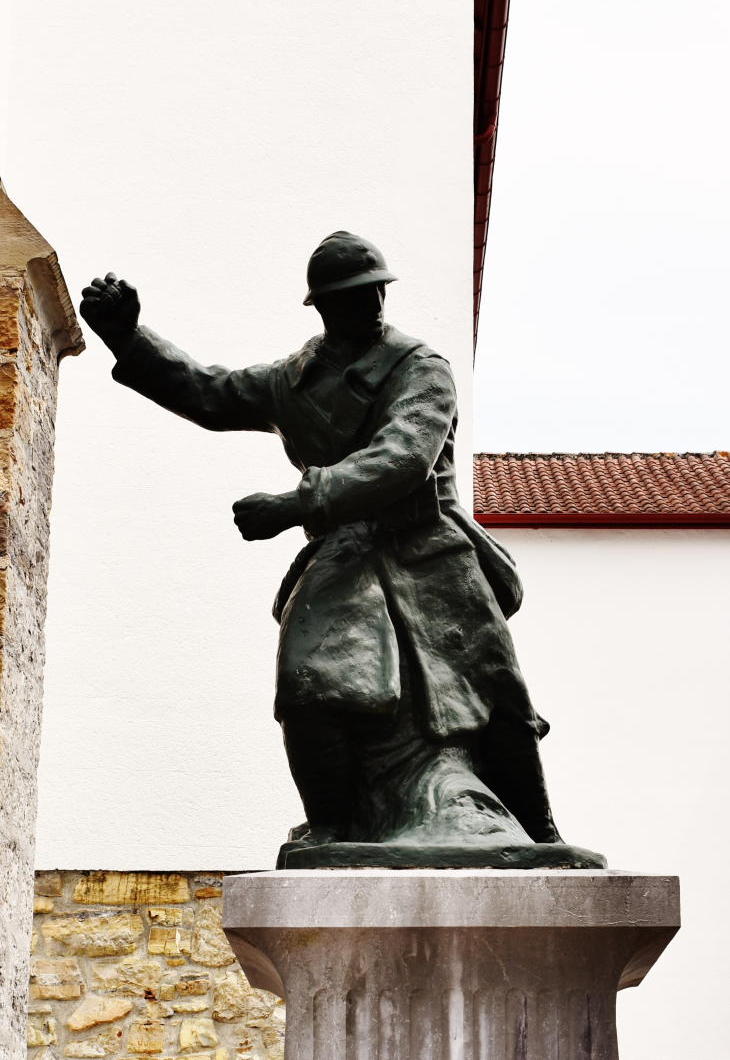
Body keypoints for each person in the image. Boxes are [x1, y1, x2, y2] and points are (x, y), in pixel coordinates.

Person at [80, 231, 591, 868]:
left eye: (378, 289)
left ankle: (537, 832)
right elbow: (209, 393)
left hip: (428, 549)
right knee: (307, 678)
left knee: (492, 696)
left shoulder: (419, 366)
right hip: (345, 551)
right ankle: (330, 825)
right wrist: (128, 337)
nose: (372, 302)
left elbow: (401, 459)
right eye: (354, 295)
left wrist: (293, 506)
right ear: (322, 306)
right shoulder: (293, 379)